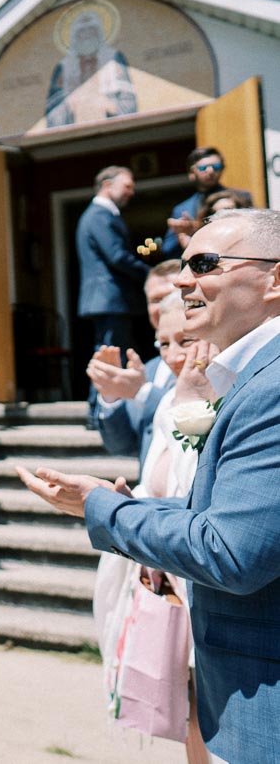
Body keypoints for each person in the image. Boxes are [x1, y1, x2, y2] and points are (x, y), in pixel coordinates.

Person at [18, 209, 280, 763]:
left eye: (205, 264)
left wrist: (105, 508)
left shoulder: (271, 384)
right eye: (184, 266)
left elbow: (233, 551)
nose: (183, 280)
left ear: (274, 278)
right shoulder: (252, 375)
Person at [92, 294, 211, 762]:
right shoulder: (168, 399)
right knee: (182, 695)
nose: (173, 353)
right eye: (163, 342)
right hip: (163, 559)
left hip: (198, 558)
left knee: (206, 695)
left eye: (186, 340)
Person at [76, 165, 151, 427]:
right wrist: (151, 274)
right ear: (107, 185)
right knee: (109, 354)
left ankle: (100, 411)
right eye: (127, 186)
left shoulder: (101, 215)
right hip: (109, 298)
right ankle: (97, 413)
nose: (132, 192)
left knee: (110, 352)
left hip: (109, 299)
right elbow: (117, 257)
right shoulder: (99, 215)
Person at [91, 259, 181, 471]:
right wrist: (110, 395)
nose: (163, 307)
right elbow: (120, 445)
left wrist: (142, 392)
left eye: (172, 296)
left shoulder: (210, 358)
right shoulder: (148, 368)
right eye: (155, 300)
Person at [161, 148, 254, 258]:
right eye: (203, 168)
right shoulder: (182, 209)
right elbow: (167, 250)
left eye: (216, 167)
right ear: (192, 173)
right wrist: (181, 233)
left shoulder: (241, 198)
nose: (210, 171)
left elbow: (251, 236)